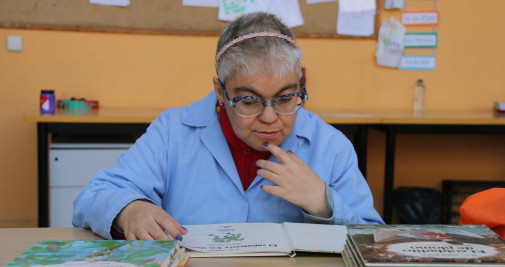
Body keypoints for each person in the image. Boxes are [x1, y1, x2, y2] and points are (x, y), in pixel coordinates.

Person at [73, 11, 384, 240]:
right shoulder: (173, 131)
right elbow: (93, 197)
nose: (270, 117)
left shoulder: (330, 145)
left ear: (299, 85)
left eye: (286, 97)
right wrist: (130, 209)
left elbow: (373, 241)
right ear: (221, 92)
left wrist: (323, 203)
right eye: (249, 101)